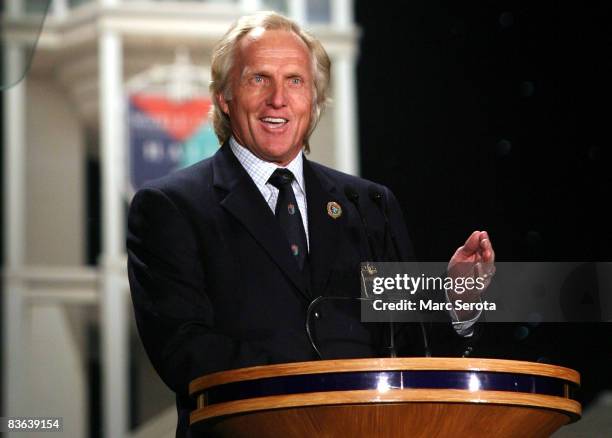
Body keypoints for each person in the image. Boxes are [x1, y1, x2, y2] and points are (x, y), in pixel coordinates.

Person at [127, 11, 495, 438]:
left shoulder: (368, 204)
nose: (278, 99)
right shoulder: (171, 206)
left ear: (314, 99)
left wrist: (455, 305)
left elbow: (410, 350)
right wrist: (314, 391)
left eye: (295, 81)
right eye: (258, 79)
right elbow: (182, 348)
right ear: (225, 97)